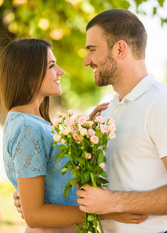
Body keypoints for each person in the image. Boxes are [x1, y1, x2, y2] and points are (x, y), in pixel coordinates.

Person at [1, 38, 146, 233]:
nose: (61, 71)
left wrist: (85, 131)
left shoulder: (34, 122)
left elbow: (55, 179)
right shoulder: (27, 127)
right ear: (28, 74)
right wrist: (108, 211)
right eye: (52, 66)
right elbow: (35, 215)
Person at [75, 8, 167, 233]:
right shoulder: (106, 110)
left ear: (119, 49)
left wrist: (115, 201)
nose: (87, 61)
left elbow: (107, 199)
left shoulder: (160, 104)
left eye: (92, 50)